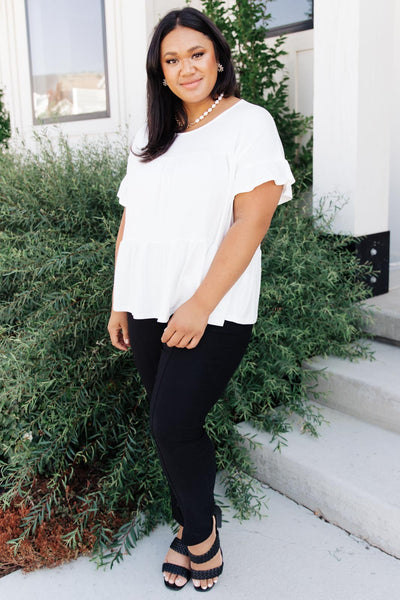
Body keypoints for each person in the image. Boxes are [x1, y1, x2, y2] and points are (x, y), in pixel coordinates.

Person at [107, 6, 294, 593]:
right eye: (172, 59)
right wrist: (120, 301)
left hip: (212, 306)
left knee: (172, 424)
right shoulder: (151, 134)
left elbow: (251, 222)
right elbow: (130, 224)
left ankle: (200, 535)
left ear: (217, 57)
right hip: (144, 302)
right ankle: (195, 521)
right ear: (159, 72)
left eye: (196, 54)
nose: (186, 67)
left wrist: (199, 305)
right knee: (171, 425)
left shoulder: (250, 123)